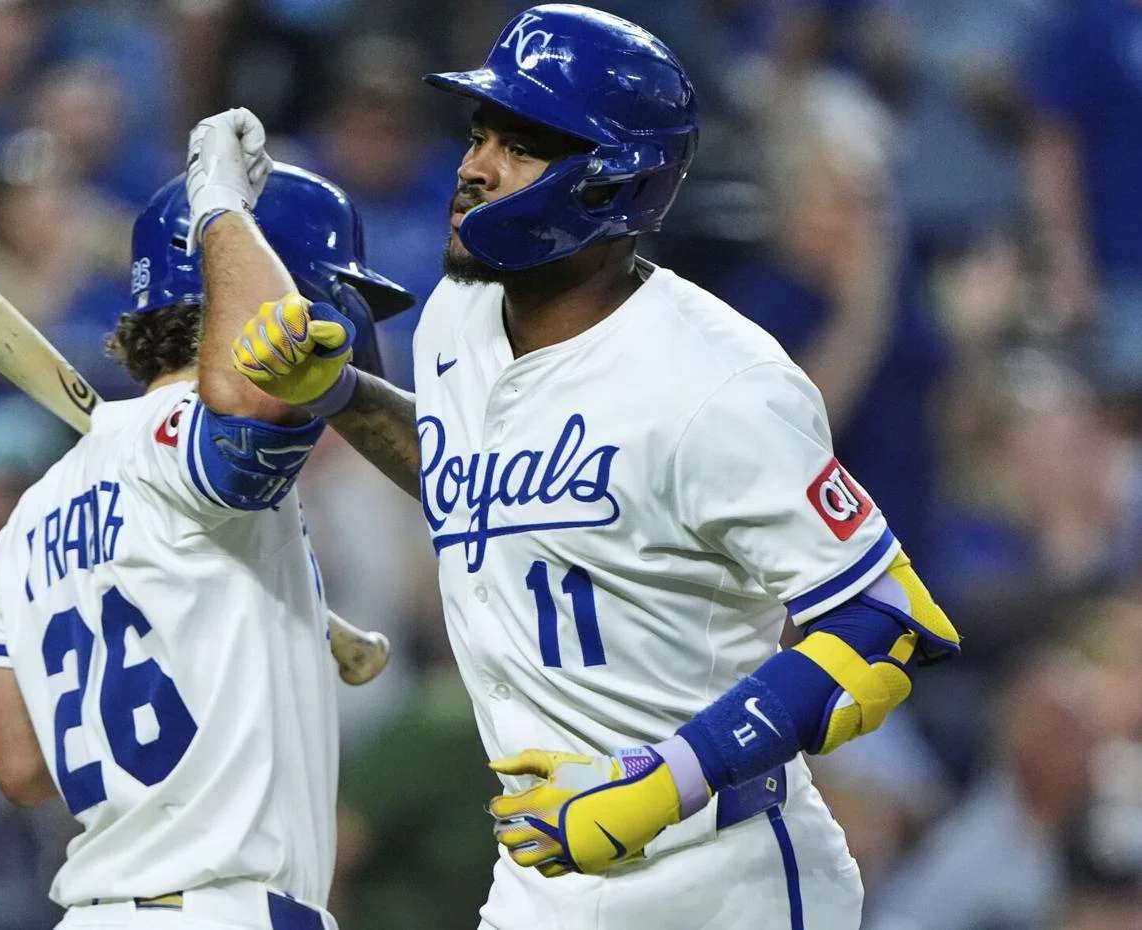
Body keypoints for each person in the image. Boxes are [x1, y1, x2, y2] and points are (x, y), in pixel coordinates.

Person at [229, 7, 960, 929]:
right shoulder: (460, 315)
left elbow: (885, 620)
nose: (473, 167)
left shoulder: (720, 383)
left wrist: (660, 785)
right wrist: (342, 394)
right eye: (481, 132)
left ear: (607, 183)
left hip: (719, 880)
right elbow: (477, 474)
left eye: (522, 145)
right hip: (538, 879)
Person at [0, 110, 412, 930]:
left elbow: (24, 770)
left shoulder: (24, 523)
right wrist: (222, 205)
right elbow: (253, 387)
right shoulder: (183, 447)